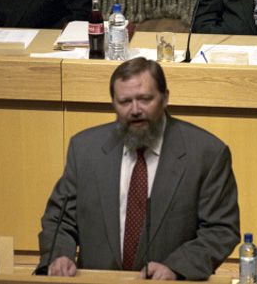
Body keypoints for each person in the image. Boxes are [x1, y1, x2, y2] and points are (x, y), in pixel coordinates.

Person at [37, 58, 240, 280]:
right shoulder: (85, 150)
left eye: (145, 99)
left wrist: (177, 268)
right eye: (125, 101)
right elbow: (59, 219)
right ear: (113, 103)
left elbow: (221, 230)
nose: (135, 110)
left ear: (165, 98)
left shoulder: (206, 154)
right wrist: (59, 256)